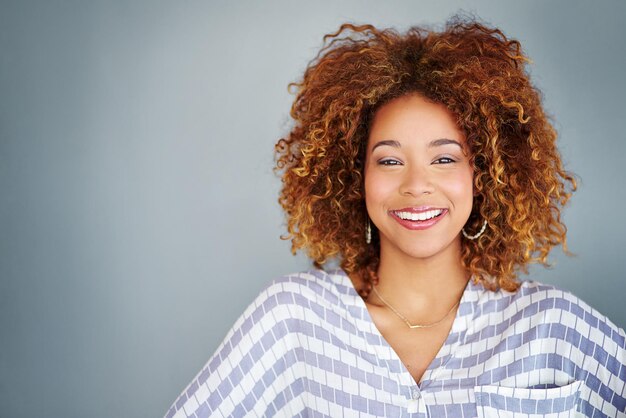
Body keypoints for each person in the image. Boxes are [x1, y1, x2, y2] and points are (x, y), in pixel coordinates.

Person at [166, 17, 626, 417]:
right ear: (355, 177)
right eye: (389, 160)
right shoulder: (294, 321)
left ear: (483, 175)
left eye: (444, 159)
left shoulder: (553, 328)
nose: (415, 184)